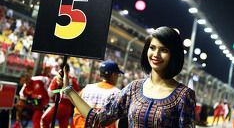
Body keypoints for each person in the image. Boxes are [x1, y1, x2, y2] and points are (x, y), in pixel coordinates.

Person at [57, 26, 196, 127]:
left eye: (164, 50)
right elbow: (99, 119)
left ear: (174, 55)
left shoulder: (184, 95)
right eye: (152, 48)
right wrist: (68, 91)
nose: (156, 54)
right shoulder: (133, 88)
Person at [71, 60, 122, 128]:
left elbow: (76, 109)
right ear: (113, 75)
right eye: (117, 75)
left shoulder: (87, 88)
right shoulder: (117, 93)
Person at [41, 63, 79, 128]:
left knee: (44, 120)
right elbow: (78, 95)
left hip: (58, 104)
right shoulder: (73, 80)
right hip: (68, 107)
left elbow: (50, 93)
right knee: (63, 126)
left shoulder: (57, 78)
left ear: (60, 69)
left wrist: (59, 90)